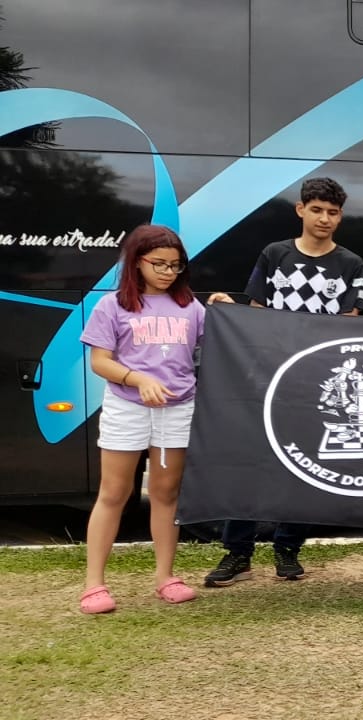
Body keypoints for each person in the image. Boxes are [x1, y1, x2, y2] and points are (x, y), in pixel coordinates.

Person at [204, 177, 363, 586]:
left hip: (314, 378)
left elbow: (350, 324)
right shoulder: (275, 254)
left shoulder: (351, 263)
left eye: (332, 212)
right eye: (317, 210)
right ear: (300, 210)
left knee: (303, 464)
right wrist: (228, 310)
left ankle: (288, 549)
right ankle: (237, 552)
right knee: (250, 463)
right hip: (267, 375)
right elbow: (256, 311)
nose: (325, 218)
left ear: (340, 216)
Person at [77, 225, 206, 614]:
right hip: (126, 407)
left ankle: (166, 577)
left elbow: (217, 348)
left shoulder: (192, 308)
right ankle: (94, 585)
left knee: (166, 495)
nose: (168, 272)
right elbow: (100, 362)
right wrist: (138, 379)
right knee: (114, 494)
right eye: (159, 264)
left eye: (176, 265)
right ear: (136, 262)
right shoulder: (112, 306)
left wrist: (226, 307)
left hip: (178, 409)